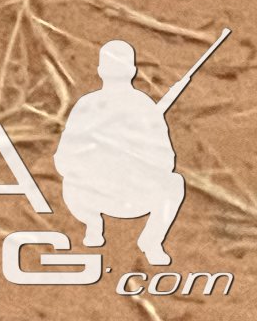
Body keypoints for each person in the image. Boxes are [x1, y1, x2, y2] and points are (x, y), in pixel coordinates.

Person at [56, 41, 189, 265]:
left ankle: (142, 239)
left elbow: (165, 160)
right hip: (103, 193)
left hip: (119, 194)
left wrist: (133, 155)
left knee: (173, 183)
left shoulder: (97, 105)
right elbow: (167, 161)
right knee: (173, 183)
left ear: (100, 71)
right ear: (133, 71)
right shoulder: (95, 106)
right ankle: (96, 226)